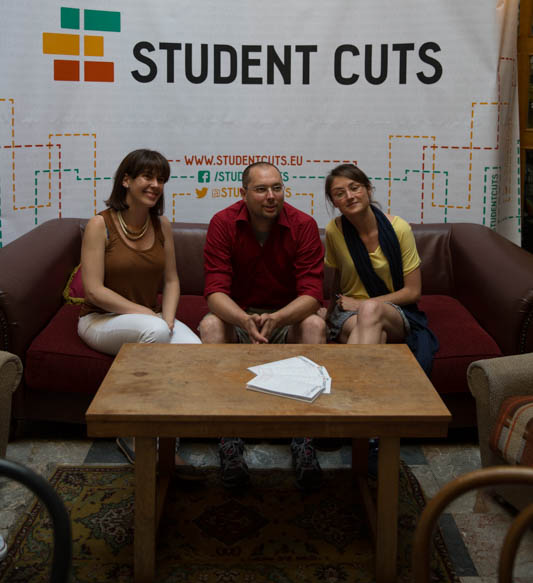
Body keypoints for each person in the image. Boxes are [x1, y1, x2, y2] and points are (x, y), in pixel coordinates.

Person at [200, 161, 326, 490]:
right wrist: (244, 320)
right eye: (261, 189)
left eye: (277, 188)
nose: (271, 196)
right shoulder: (223, 222)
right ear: (243, 193)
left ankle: (304, 437)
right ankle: (228, 437)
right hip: (239, 316)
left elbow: (312, 294)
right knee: (211, 325)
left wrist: (278, 318)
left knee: (314, 324)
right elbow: (215, 292)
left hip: (286, 317)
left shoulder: (304, 224)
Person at [79, 148, 201, 465]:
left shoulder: (162, 225)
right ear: (126, 181)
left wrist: (168, 318)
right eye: (147, 177)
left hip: (151, 320)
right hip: (100, 320)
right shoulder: (99, 224)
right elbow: (94, 290)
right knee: (155, 330)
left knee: (196, 353)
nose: (155, 185)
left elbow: (171, 281)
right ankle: (135, 433)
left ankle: (166, 438)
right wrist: (149, 315)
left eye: (161, 179)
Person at [323, 163, 438, 373]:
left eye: (354, 188)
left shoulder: (399, 229)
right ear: (334, 202)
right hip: (348, 314)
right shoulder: (334, 231)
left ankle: (342, 386)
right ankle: (359, 387)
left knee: (370, 310)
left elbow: (413, 292)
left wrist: (361, 304)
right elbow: (339, 276)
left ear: (368, 189)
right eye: (340, 193)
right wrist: (329, 314)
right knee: (376, 336)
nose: (349, 196)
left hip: (394, 311)